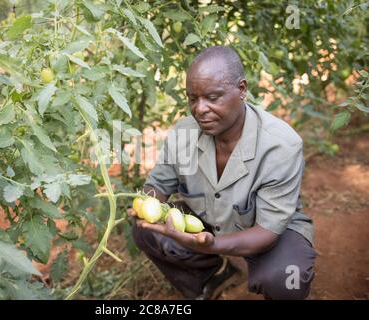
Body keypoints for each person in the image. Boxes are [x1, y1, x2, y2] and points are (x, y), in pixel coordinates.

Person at [130, 46, 316, 300]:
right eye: (192, 98)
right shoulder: (184, 133)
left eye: (213, 97)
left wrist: (211, 244)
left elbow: (267, 232)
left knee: (286, 280)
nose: (200, 109)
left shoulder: (281, 145)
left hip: (265, 231)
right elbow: (159, 185)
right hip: (208, 219)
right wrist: (147, 203)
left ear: (241, 90)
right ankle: (213, 277)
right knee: (146, 228)